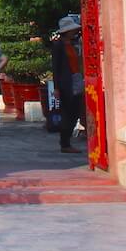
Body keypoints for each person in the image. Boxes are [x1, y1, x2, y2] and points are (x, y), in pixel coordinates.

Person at [51, 14, 86, 154]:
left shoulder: (72, 44)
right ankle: (65, 142)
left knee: (76, 110)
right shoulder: (58, 45)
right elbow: (56, 67)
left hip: (75, 78)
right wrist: (56, 87)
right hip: (65, 82)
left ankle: (66, 141)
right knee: (68, 112)